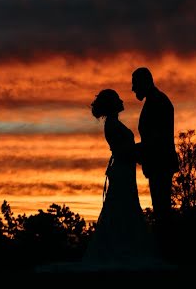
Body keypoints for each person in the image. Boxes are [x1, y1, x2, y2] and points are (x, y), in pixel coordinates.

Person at [37, 89, 171, 272]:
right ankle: (122, 250)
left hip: (125, 171)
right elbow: (123, 152)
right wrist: (144, 148)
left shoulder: (114, 123)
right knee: (122, 207)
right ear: (112, 104)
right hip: (122, 171)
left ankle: (125, 246)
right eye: (117, 99)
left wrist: (139, 151)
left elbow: (126, 151)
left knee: (124, 208)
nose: (122, 100)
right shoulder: (112, 125)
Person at [132, 67, 179, 225]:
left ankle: (166, 245)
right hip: (157, 163)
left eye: (135, 84)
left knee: (162, 211)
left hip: (161, 163)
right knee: (160, 209)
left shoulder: (158, 101)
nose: (133, 89)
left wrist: (135, 151)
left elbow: (157, 138)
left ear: (144, 82)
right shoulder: (154, 100)